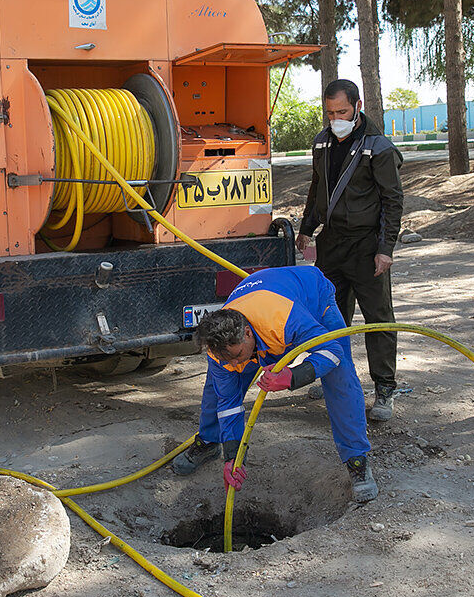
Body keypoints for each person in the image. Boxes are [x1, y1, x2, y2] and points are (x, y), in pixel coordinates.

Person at [170, 266, 377, 503]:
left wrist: (292, 376)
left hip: (314, 299)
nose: (236, 363)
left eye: (237, 355)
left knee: (340, 374)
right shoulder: (222, 351)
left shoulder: (283, 318)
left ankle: (357, 459)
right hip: (264, 304)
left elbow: (332, 352)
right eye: (229, 359)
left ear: (247, 333)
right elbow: (229, 403)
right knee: (217, 389)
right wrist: (234, 458)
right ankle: (209, 442)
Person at [296, 79, 404, 422]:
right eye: (329, 112)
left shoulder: (378, 148)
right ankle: (331, 375)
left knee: (378, 320)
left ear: (358, 107)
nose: (335, 118)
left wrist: (385, 249)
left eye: (341, 111)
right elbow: (317, 189)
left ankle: (384, 389)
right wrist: (306, 229)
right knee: (329, 316)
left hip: (367, 245)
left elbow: (393, 201)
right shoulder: (322, 143)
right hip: (333, 244)